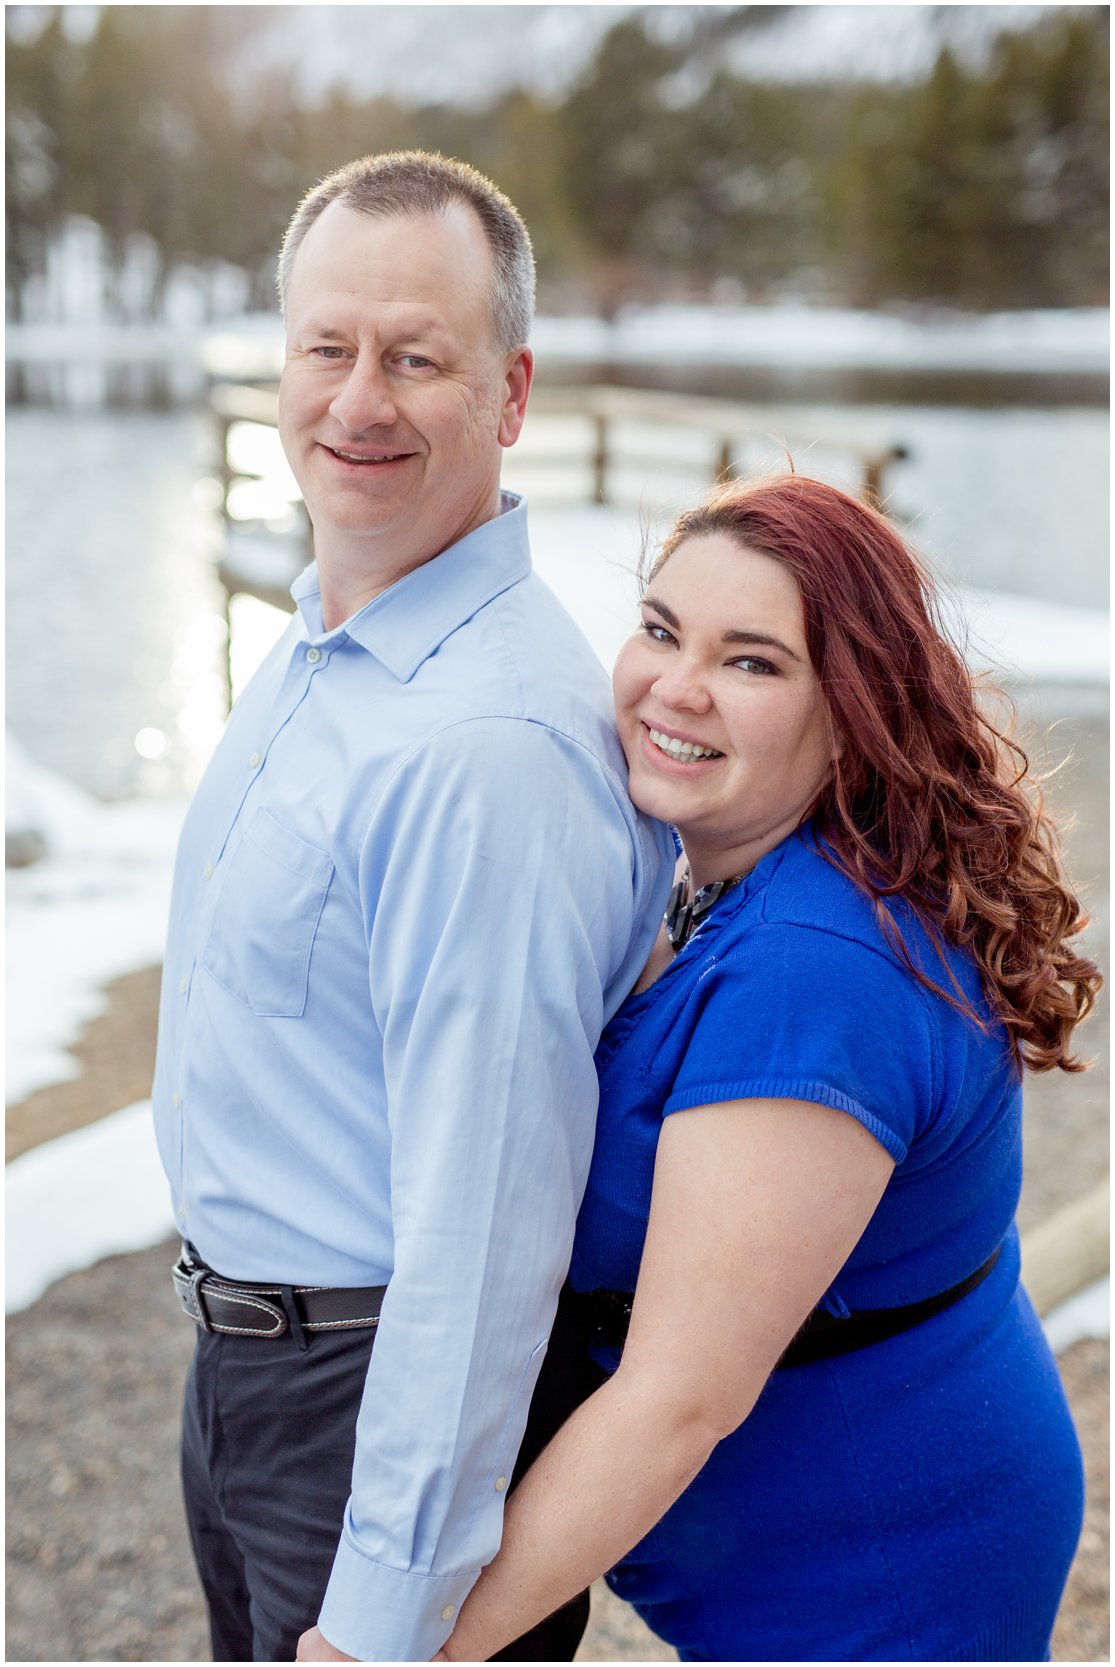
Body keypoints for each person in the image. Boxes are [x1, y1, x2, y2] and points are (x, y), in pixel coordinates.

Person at [436, 473, 1102, 1664]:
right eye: (657, 629)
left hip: (880, 1573)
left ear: (850, 706)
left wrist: (418, 1644)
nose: (673, 686)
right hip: (895, 1495)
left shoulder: (813, 977)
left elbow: (676, 1399)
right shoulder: (767, 866)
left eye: (750, 661)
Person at [150, 150, 672, 1664]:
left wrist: (383, 1613)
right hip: (253, 1377)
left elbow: (488, 1225)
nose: (355, 399)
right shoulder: (335, 640)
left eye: (414, 357)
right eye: (326, 347)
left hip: (367, 1411)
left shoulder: (484, 749)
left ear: (508, 397)